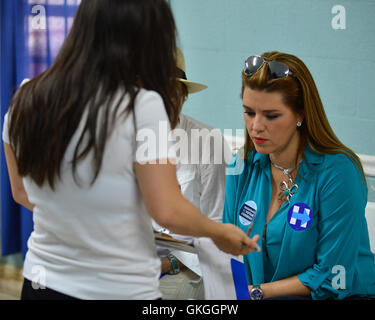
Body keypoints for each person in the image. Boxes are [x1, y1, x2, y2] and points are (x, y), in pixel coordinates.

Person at [2, 0, 259, 300]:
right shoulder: (141, 107)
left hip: (42, 282)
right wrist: (220, 233)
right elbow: (167, 210)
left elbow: (21, 193)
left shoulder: (25, 98)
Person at [222, 51, 375, 300]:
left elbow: (332, 277)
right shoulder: (241, 165)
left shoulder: (338, 172)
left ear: (301, 114)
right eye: (249, 112)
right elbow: (229, 250)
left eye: (271, 115)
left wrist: (255, 293)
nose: (256, 126)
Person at [155, 48, 231, 300]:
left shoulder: (209, 142)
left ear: (184, 96)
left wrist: (168, 264)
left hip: (189, 263)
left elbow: (218, 225)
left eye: (171, 92)